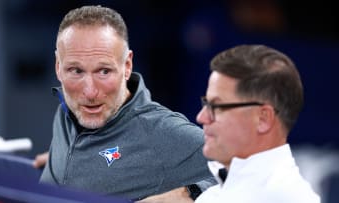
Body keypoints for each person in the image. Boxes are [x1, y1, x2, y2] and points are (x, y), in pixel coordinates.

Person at [38, 5, 214, 201]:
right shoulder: (66, 111)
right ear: (58, 67)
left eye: (104, 71)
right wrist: (71, 162)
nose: (89, 92)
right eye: (76, 71)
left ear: (127, 65)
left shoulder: (161, 132)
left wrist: (190, 193)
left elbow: (248, 168)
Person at [194, 44, 320, 202]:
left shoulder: (288, 197)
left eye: (217, 106)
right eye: (206, 104)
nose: (201, 117)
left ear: (263, 119)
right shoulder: (211, 197)